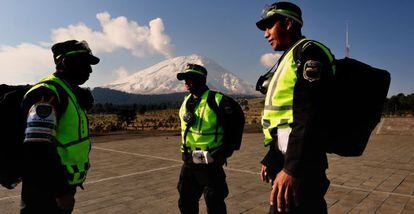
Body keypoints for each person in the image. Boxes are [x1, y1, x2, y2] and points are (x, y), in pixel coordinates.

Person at [256, 2, 334, 213]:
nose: (266, 34)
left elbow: (310, 115)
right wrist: (273, 155)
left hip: (303, 164)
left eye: (269, 26)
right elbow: (284, 119)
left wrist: (292, 168)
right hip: (289, 158)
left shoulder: (309, 53)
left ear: (288, 23)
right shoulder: (288, 57)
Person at [20, 40, 99, 213]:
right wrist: (61, 192)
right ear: (65, 62)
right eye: (85, 63)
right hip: (45, 191)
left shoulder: (68, 91)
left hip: (59, 186)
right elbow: (37, 148)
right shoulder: (47, 93)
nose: (90, 70)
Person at [176, 63, 244, 214]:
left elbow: (236, 123)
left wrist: (224, 152)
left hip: (210, 161)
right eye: (184, 79)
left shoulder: (218, 100)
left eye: (189, 79)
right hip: (189, 161)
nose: (185, 82)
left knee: (214, 201)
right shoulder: (186, 101)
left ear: (201, 80)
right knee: (185, 200)